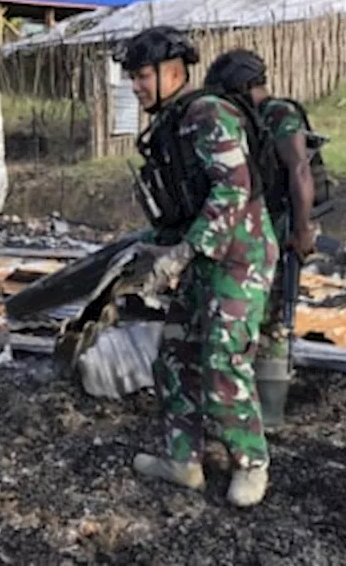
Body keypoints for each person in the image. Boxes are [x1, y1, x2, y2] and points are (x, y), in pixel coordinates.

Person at [123, 26, 279, 507]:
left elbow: (231, 189)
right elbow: (183, 202)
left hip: (239, 259)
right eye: (132, 77)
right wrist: (154, 250)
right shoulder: (172, 122)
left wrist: (182, 254)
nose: (135, 86)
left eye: (142, 75)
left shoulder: (207, 114)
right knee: (174, 357)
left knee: (222, 363)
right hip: (199, 258)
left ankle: (251, 463)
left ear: (173, 72)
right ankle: (182, 460)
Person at [202, 49, 320, 428]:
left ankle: (271, 414)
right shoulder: (246, 118)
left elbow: (299, 169)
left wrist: (302, 230)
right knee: (251, 317)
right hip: (256, 223)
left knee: (275, 319)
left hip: (282, 225)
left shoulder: (280, 113)